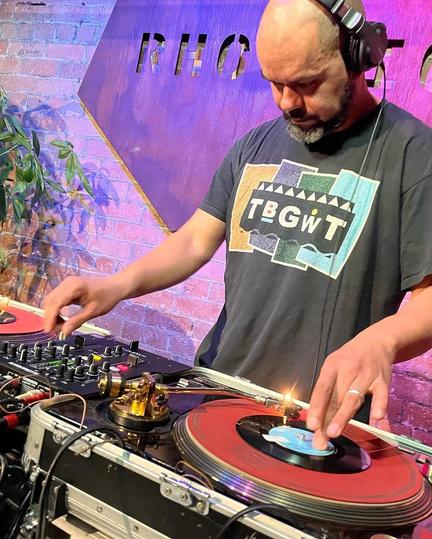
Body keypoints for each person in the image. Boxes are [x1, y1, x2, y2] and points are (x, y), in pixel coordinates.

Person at [44, 0, 432, 450]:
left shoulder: (414, 156)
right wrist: (115, 286)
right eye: (275, 83)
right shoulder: (255, 144)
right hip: (215, 395)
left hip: (314, 428)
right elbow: (195, 240)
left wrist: (383, 340)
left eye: (306, 84)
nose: (287, 102)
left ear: (359, 57)